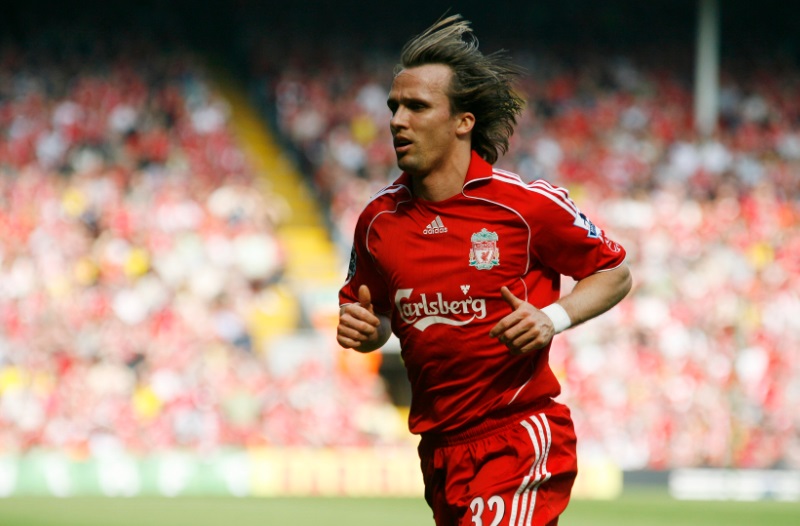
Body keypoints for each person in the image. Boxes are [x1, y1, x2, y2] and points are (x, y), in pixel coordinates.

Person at [337, 14, 632, 526]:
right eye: (394, 107)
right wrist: (367, 331)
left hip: (518, 437)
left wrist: (552, 318)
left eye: (417, 106)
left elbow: (615, 272)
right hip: (440, 451)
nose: (397, 121)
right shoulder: (377, 222)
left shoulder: (525, 206)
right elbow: (374, 315)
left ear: (463, 122)